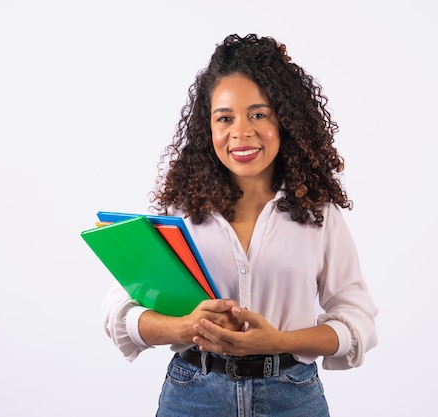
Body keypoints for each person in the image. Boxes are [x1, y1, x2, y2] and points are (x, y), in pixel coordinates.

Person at [102, 33, 378, 417]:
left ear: (285, 120)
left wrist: (278, 340)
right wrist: (184, 328)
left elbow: (357, 320)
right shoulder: (178, 212)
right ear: (208, 127)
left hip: (292, 397)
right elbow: (121, 311)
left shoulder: (318, 213)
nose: (241, 132)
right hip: (193, 396)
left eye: (258, 114)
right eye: (225, 118)